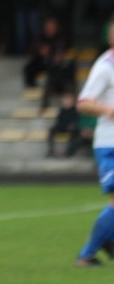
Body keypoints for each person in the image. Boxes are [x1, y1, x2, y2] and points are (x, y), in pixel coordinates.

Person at [74, 20, 114, 267]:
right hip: (109, 144)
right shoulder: (104, 66)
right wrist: (108, 110)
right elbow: (83, 103)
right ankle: (86, 254)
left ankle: (107, 240)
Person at [46, 92, 82, 158]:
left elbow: (76, 121)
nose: (67, 102)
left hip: (72, 129)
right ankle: (51, 151)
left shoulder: (75, 111)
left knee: (74, 132)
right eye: (65, 100)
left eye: (69, 101)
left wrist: (72, 126)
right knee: (52, 130)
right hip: (62, 127)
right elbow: (58, 121)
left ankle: (69, 152)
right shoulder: (62, 110)